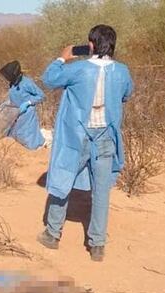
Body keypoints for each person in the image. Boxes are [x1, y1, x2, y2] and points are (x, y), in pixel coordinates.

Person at [36, 25, 134, 262]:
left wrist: (62, 57)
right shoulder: (122, 71)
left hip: (77, 137)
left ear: (91, 45)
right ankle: (97, 245)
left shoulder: (77, 68)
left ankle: (52, 234)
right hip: (105, 137)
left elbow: (48, 79)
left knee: (62, 179)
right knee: (101, 192)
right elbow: (127, 94)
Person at [0, 60, 48, 150]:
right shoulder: (12, 84)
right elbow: (15, 97)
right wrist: (7, 104)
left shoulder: (27, 83)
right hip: (15, 113)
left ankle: (37, 148)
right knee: (12, 136)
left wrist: (28, 103)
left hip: (27, 114)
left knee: (28, 139)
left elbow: (42, 96)